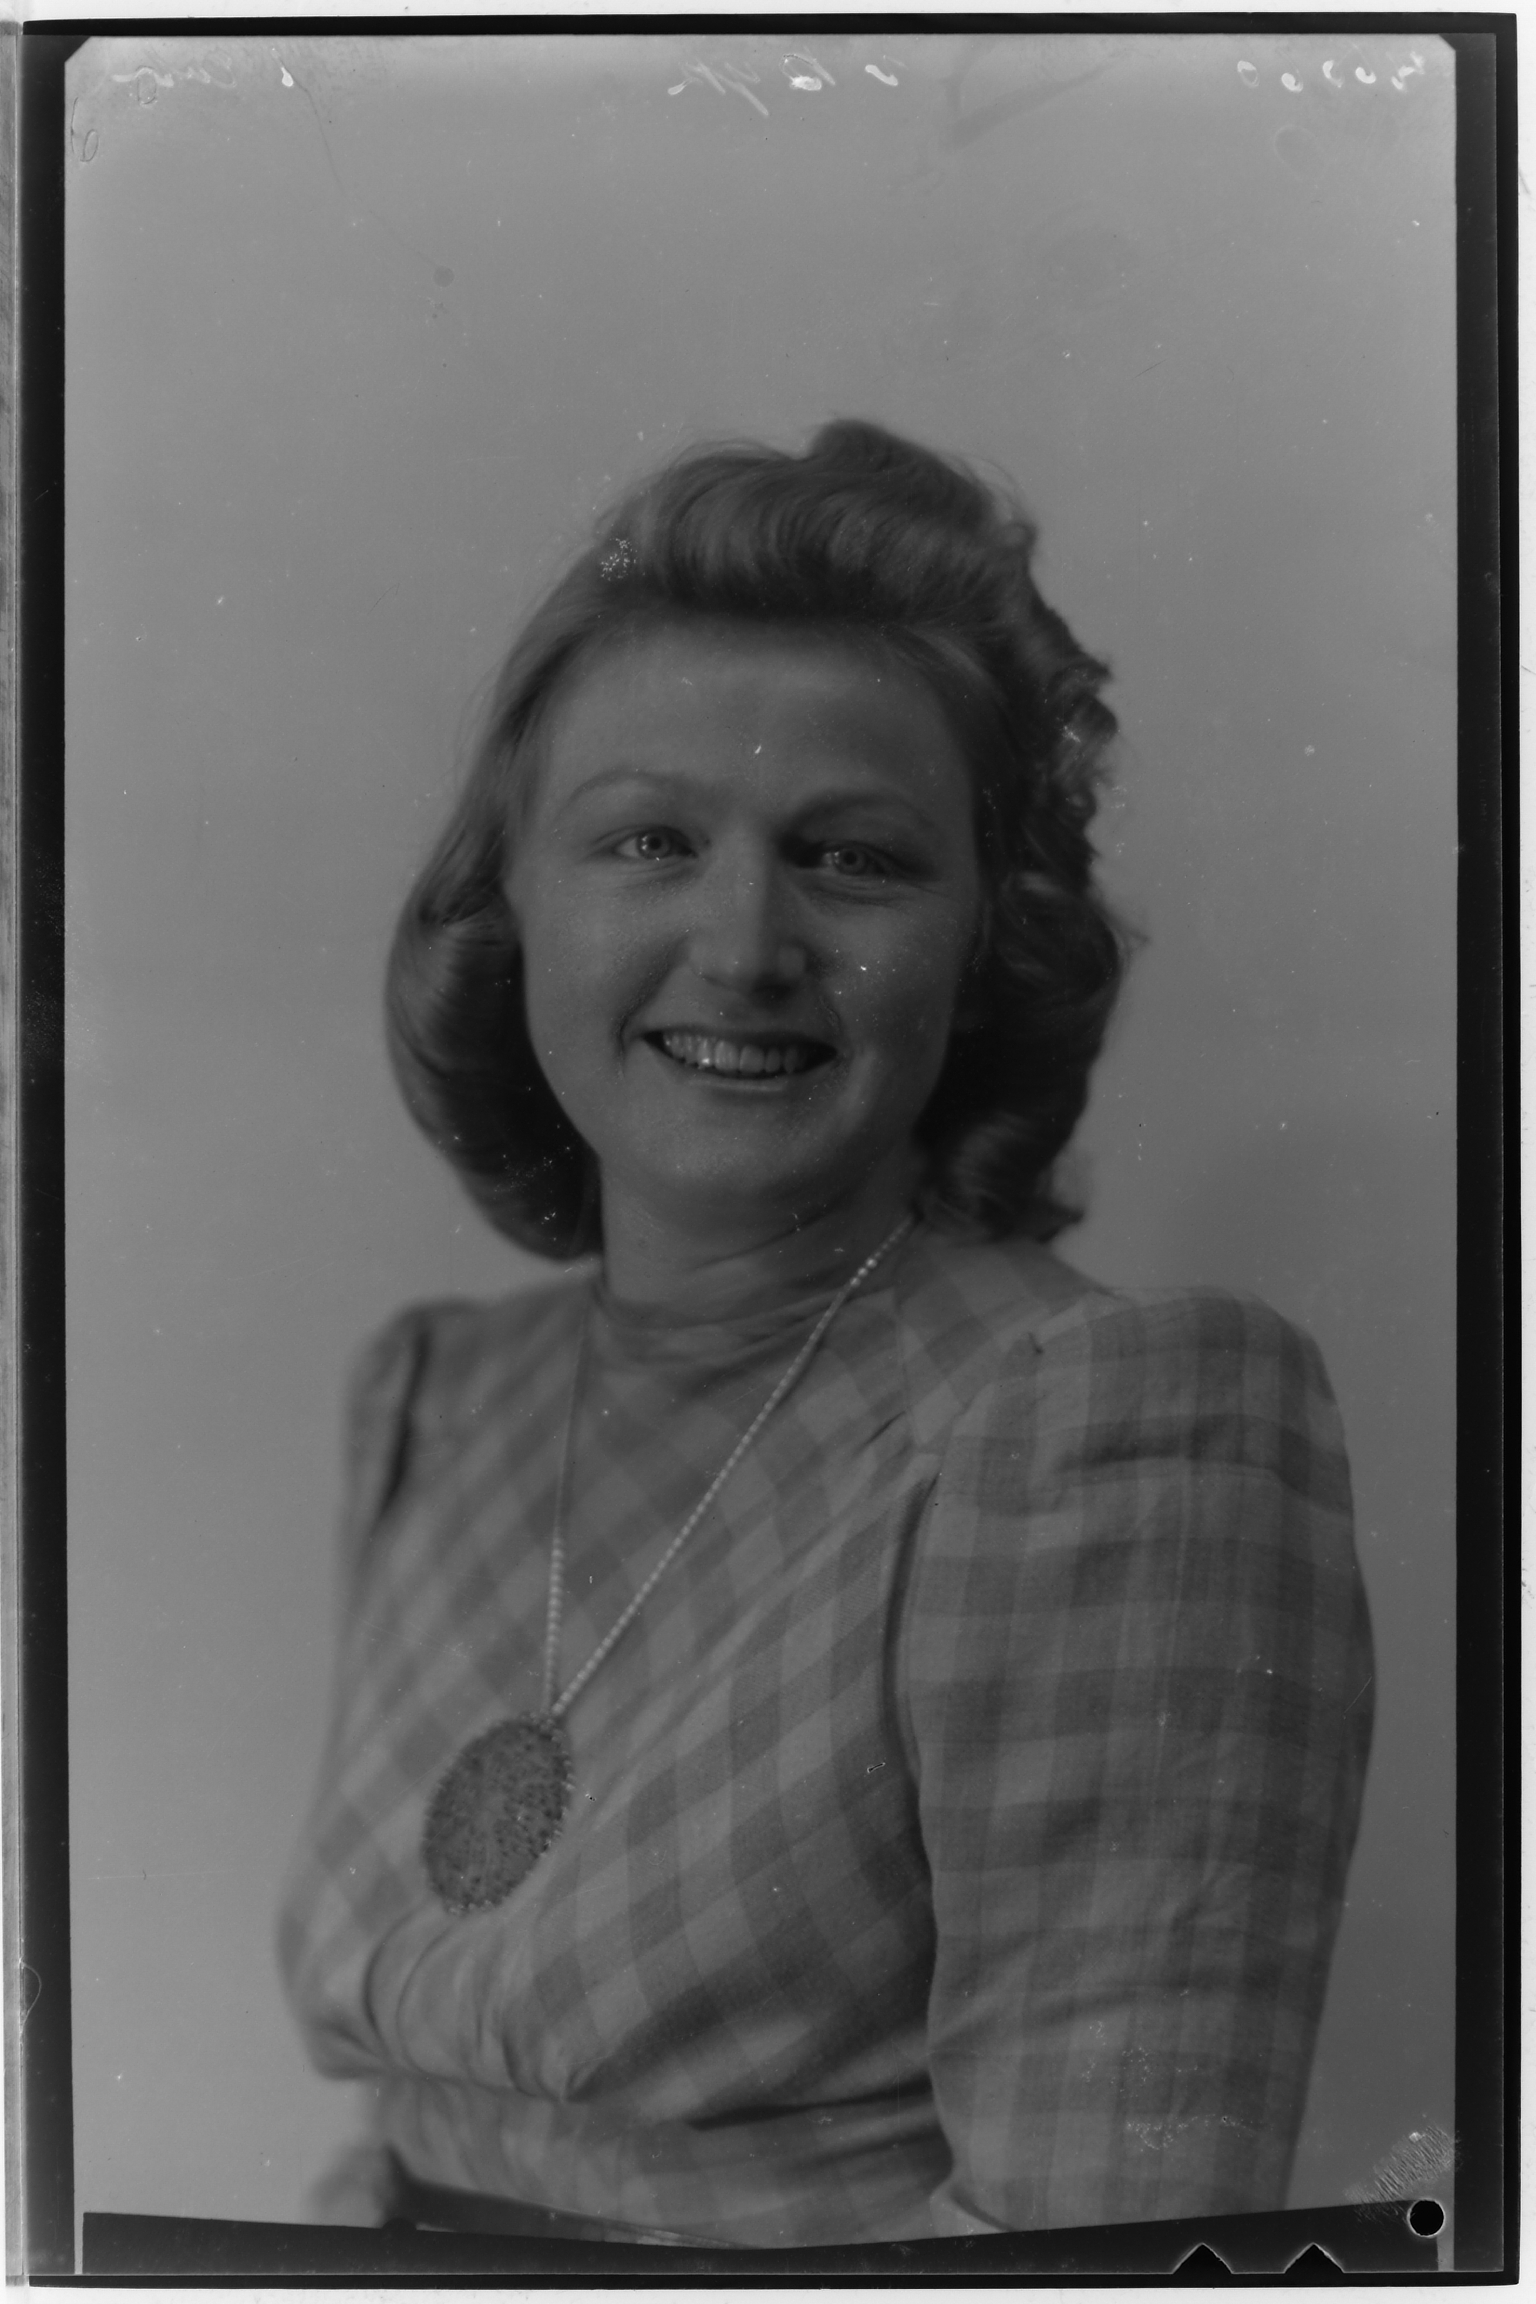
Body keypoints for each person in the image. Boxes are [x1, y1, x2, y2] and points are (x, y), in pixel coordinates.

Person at [277, 420, 1373, 2247]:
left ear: (989, 937)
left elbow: (1095, 2255)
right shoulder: (437, 1399)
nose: (743, 943)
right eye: (648, 839)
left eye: (854, 860)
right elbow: (407, 2150)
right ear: (511, 902)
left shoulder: (1108, 1431)